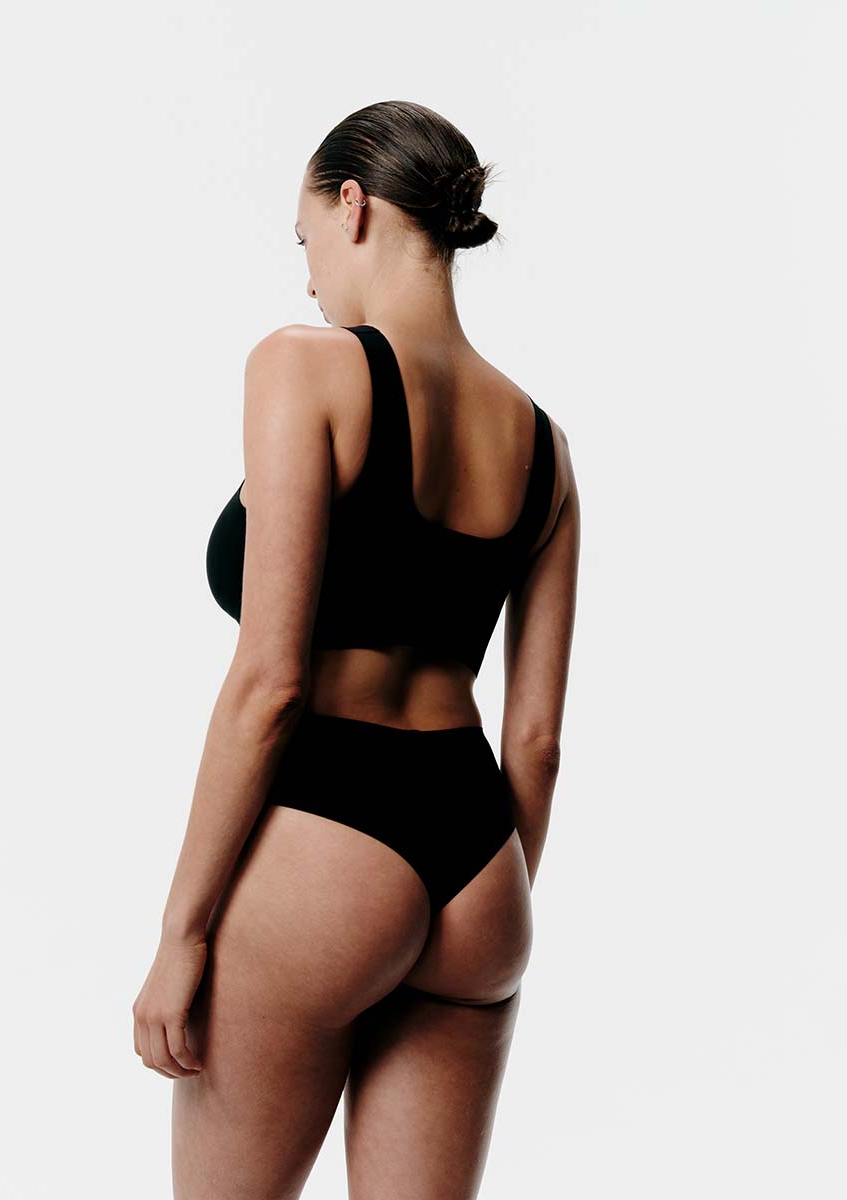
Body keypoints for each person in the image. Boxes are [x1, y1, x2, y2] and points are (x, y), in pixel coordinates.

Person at [132, 99, 580, 1199]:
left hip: (329, 846)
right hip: (481, 869)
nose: (307, 281)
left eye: (305, 242)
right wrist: (479, 911)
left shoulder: (307, 368)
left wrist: (181, 935)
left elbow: (271, 685)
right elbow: (536, 740)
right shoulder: (545, 448)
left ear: (353, 206)